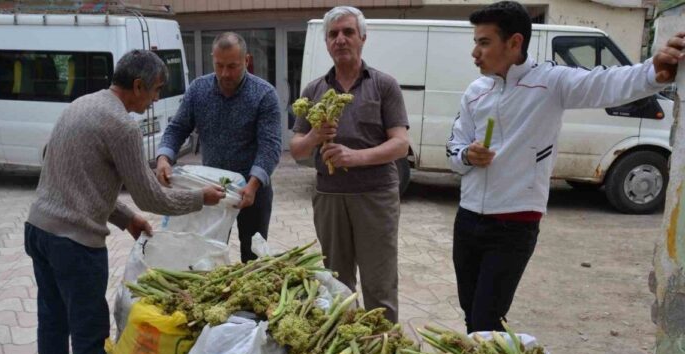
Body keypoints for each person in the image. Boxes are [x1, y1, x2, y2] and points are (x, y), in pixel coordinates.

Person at [447, 0, 685, 333]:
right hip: (468, 218)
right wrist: (468, 156)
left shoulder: (550, 83)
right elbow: (454, 149)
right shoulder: (474, 93)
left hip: (513, 224)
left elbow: (604, 84)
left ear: (514, 43)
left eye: (484, 42)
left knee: (487, 319)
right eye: (476, 42)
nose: (475, 52)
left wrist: (652, 72)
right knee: (470, 311)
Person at [24, 50, 225, 354]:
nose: (154, 100)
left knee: (51, 317)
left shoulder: (81, 104)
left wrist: (127, 218)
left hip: (38, 229)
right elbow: (151, 195)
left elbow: (76, 180)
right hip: (74, 243)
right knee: (89, 328)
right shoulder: (122, 125)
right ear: (137, 86)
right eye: (155, 91)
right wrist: (201, 198)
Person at [289, 6, 410, 323]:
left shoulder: (384, 85)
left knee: (379, 286)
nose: (340, 39)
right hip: (329, 198)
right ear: (327, 43)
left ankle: (382, 352)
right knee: (337, 284)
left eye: (348, 32)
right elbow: (297, 150)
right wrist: (316, 135)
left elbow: (400, 143)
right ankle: (344, 349)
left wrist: (355, 158)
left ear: (362, 38)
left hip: (376, 198)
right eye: (333, 34)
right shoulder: (314, 91)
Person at [155, 32, 282, 263]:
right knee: (206, 252)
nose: (225, 73)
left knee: (252, 257)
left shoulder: (264, 94)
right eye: (219, 65)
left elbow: (270, 146)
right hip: (211, 189)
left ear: (246, 60)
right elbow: (177, 128)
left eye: (232, 66)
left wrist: (253, 185)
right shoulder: (198, 90)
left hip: (252, 190)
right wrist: (164, 157)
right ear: (212, 58)